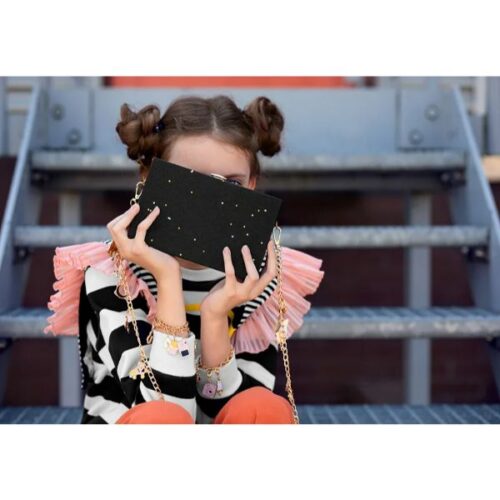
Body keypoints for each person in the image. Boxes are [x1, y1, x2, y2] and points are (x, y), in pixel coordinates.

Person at [44, 94, 325, 424]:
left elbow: (240, 412)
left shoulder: (255, 276)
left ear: (251, 185)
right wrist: (167, 280)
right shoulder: (113, 275)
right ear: (151, 179)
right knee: (161, 417)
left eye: (231, 183)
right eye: (191, 180)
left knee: (263, 407)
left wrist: (215, 317)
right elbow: (160, 405)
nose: (211, 201)